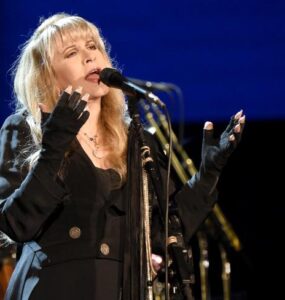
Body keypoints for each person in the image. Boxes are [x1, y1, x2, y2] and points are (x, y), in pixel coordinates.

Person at [0, 13, 245, 300]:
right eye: (72, 52)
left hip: (119, 289)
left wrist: (208, 175)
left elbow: (161, 232)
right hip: (53, 287)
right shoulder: (27, 130)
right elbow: (15, 223)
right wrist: (54, 146)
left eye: (93, 46)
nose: (89, 57)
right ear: (48, 76)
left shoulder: (136, 142)